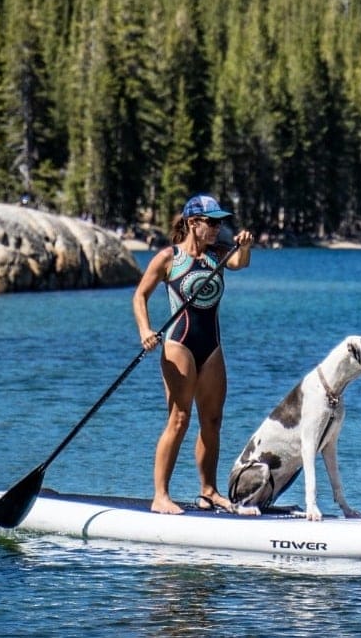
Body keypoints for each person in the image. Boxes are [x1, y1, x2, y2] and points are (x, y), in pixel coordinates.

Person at [131, 193, 255, 514]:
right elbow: (140, 296)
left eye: (220, 223)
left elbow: (241, 262)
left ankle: (208, 491)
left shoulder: (219, 254)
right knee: (179, 419)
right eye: (210, 222)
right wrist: (145, 331)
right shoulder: (168, 258)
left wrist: (244, 244)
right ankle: (161, 496)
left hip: (211, 346)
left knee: (212, 421)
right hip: (179, 344)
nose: (216, 228)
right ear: (192, 223)